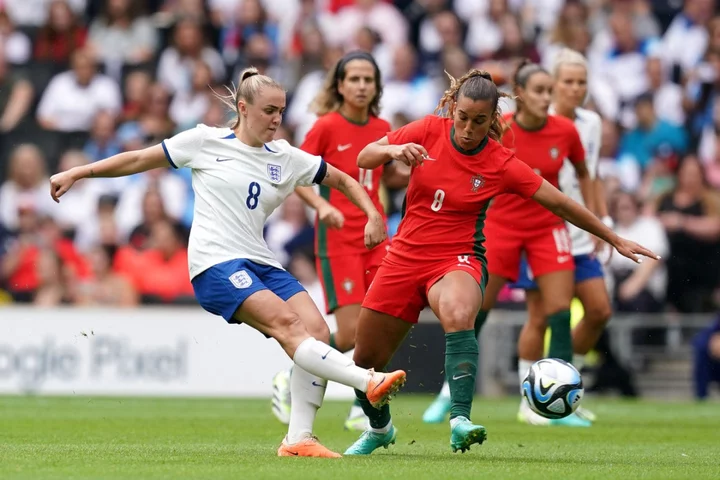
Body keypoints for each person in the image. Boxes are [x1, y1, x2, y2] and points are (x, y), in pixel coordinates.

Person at [49, 67, 407, 459]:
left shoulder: (284, 157)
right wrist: (80, 171)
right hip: (215, 263)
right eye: (269, 110)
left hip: (261, 261)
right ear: (243, 107)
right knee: (289, 326)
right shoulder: (205, 141)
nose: (276, 119)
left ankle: (299, 438)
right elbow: (138, 159)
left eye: (281, 111)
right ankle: (367, 380)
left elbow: (344, 179)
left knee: (318, 332)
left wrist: (373, 214)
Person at [344, 68, 658, 456]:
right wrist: (392, 150)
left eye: (479, 121)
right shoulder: (426, 130)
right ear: (452, 108)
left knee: (460, 312)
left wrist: (612, 236)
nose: (469, 128)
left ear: (493, 119)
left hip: (457, 258)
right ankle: (379, 429)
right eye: (462, 118)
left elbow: (558, 201)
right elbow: (364, 155)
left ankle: (460, 418)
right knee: (365, 360)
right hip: (404, 256)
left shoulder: (500, 161)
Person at [423, 50, 611, 427]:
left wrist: (598, 217)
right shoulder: (499, 128)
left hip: (548, 227)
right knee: (478, 310)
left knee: (557, 312)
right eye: (539, 91)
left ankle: (549, 404)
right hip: (502, 225)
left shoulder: (568, 130)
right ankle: (449, 392)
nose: (546, 98)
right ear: (521, 93)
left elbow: (585, 173)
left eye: (548, 90)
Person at [271, 51, 409, 431]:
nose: (362, 86)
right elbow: (294, 175)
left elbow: (382, 178)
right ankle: (297, 369)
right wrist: (321, 206)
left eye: (369, 80)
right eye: (355, 79)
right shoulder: (326, 127)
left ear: (377, 86)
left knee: (380, 324)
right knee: (349, 331)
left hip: (376, 237)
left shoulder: (383, 126)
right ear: (340, 85)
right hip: (337, 240)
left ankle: (360, 402)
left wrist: (409, 170)